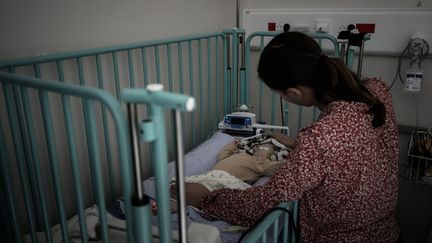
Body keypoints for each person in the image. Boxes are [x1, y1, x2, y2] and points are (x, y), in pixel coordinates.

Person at [188, 31, 400, 243]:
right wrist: (298, 145)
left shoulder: (320, 137)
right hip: (387, 232)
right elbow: (353, 151)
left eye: (278, 93)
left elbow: (261, 204)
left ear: (294, 93)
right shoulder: (377, 90)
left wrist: (204, 197)